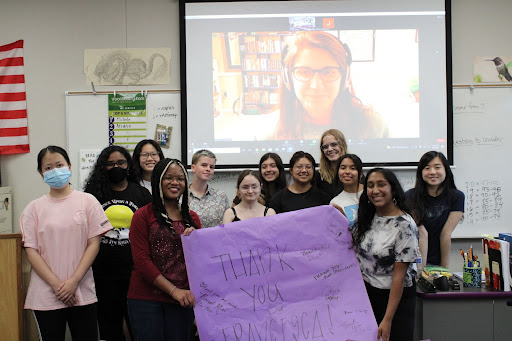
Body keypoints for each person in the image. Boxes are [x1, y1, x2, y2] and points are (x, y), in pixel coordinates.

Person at [20, 146, 112, 341]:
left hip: (82, 291)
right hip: (46, 295)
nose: (55, 170)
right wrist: (57, 286)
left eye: (59, 165)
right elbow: (31, 251)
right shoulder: (33, 209)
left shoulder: (88, 201)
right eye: (48, 167)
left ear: (69, 166)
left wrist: (73, 282)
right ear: (40, 173)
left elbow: (93, 244)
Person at [128, 158, 201, 341]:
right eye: (168, 177)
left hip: (182, 300)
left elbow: (200, 261)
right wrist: (173, 290)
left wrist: (195, 242)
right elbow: (142, 261)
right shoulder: (142, 215)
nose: (175, 182)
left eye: (180, 178)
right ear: (157, 181)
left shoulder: (192, 219)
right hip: (146, 299)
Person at [84, 145, 152, 341]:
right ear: (102, 167)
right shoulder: (93, 196)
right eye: (110, 164)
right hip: (102, 273)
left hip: (136, 272)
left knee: (139, 327)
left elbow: (150, 231)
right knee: (109, 328)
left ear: (128, 166)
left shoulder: (141, 194)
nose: (116, 167)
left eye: (121, 162)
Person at [275, 30, 388, 140]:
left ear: (345, 77)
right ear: (288, 78)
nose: (316, 86)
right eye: (304, 72)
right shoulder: (266, 131)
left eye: (328, 72)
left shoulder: (374, 126)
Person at [352, 168, 418, 341]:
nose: (375, 190)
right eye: (370, 186)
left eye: (381, 185)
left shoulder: (405, 225)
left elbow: (399, 277)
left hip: (395, 301)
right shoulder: (368, 217)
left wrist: (387, 319)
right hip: (368, 297)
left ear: (393, 189)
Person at [406, 151, 465, 268]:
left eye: (437, 167)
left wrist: (444, 270)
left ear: (445, 170)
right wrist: (421, 272)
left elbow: (446, 234)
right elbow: (422, 234)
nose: (432, 172)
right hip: (414, 259)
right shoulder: (410, 196)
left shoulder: (457, 197)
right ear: (421, 172)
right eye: (427, 168)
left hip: (438, 258)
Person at [188, 149, 230, 227]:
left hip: (216, 238)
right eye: (204, 165)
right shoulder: (181, 196)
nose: (208, 169)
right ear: (193, 168)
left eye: (211, 167)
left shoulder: (221, 196)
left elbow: (227, 225)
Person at [330, 154, 364, 227]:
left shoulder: (371, 193)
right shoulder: (335, 203)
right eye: (343, 168)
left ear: (360, 174)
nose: (347, 172)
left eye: (352, 168)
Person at [316, 129, 348, 198]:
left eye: (334, 144)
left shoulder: (354, 172)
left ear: (342, 145)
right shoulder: (318, 176)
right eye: (325, 147)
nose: (330, 149)